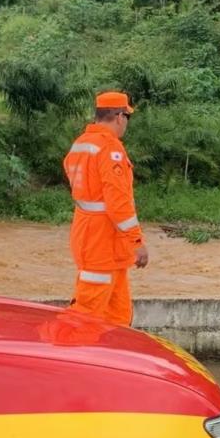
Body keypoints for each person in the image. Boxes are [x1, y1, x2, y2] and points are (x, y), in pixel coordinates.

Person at [63, 90, 148, 326]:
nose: (126, 124)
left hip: (94, 237)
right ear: (119, 117)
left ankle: (113, 356)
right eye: (127, 118)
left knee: (117, 314)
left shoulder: (81, 144)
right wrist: (137, 242)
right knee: (85, 314)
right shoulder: (110, 149)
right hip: (102, 241)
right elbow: (118, 203)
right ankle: (66, 355)